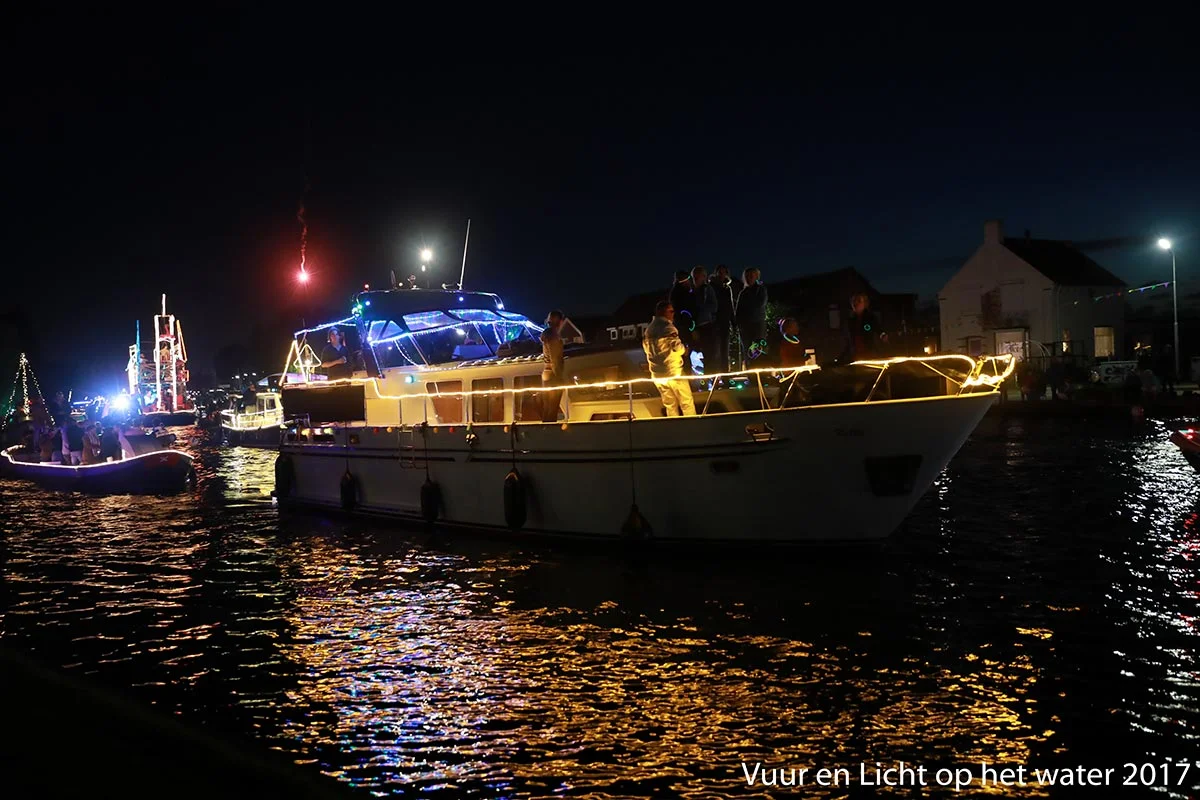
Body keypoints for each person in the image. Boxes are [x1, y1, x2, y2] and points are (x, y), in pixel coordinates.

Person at [642, 301, 696, 416]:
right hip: (673, 372)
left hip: (657, 375)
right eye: (671, 311)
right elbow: (677, 348)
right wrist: (685, 350)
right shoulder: (668, 327)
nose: (673, 313)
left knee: (669, 404)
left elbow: (646, 350)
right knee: (686, 402)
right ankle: (692, 425)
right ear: (663, 312)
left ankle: (673, 425)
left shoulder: (649, 330)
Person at [734, 267, 768, 368]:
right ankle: (751, 372)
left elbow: (760, 303)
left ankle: (761, 372)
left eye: (751, 276)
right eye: (747, 276)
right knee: (748, 349)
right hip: (745, 326)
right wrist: (738, 323)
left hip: (758, 323)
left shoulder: (761, 289)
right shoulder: (743, 293)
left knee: (759, 347)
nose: (749, 278)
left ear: (756, 277)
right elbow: (738, 310)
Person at [841, 293, 889, 362]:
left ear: (864, 304)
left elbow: (878, 329)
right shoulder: (850, 320)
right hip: (855, 353)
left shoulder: (870, 317)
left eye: (859, 301)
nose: (856, 304)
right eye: (854, 302)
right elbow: (849, 338)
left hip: (868, 352)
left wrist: (883, 335)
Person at [690, 266, 718, 378]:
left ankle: (710, 377)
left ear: (704, 277)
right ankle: (699, 379)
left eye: (698, 276)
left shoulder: (707, 290)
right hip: (694, 327)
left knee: (709, 353)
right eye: (694, 276)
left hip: (706, 325)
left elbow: (714, 306)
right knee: (694, 354)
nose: (696, 279)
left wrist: (703, 310)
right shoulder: (691, 291)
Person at [540, 309, 566, 422]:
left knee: (548, 409)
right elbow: (555, 358)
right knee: (552, 409)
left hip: (546, 373)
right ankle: (549, 433)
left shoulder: (547, 335)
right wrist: (560, 377)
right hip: (553, 375)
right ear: (560, 322)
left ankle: (545, 431)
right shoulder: (553, 336)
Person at [711, 265, 738, 376]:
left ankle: (725, 376)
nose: (722, 274)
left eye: (724, 272)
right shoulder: (711, 286)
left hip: (725, 322)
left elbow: (730, 305)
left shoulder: (727, 288)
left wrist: (733, 322)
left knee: (724, 351)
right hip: (714, 322)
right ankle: (715, 377)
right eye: (719, 272)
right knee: (715, 351)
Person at [668, 270, 696, 373]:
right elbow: (685, 313)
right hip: (685, 329)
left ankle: (688, 375)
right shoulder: (682, 294)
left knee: (687, 354)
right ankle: (688, 377)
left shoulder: (675, 293)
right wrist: (692, 327)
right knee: (686, 353)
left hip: (682, 327)